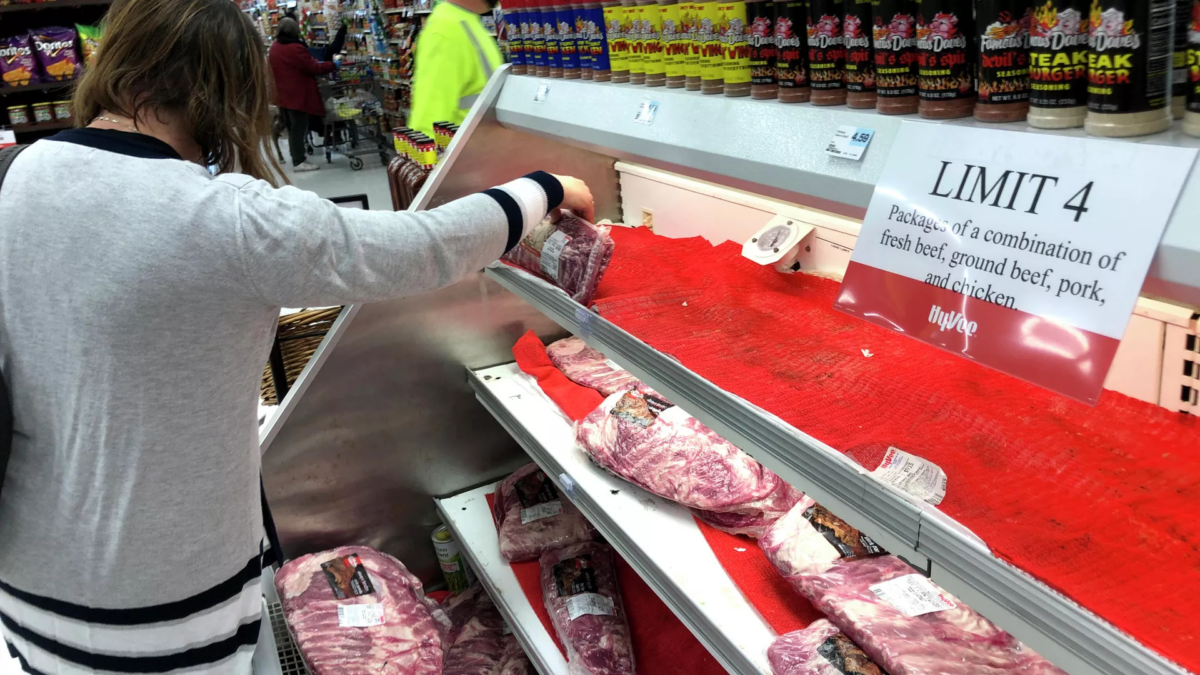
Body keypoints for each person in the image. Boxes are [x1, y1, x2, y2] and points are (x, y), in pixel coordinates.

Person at [0, 0, 592, 672]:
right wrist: (545, 186)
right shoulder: (222, 216)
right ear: (225, 92)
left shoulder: (17, 174)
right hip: (161, 604)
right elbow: (424, 248)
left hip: (29, 579)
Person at [408, 0, 503, 136]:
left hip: (480, 144)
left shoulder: (466, 21)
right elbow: (429, 118)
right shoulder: (445, 31)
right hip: (465, 147)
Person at [269, 17, 336, 172]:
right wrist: (333, 65)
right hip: (297, 94)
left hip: (282, 94)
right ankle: (299, 161)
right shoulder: (295, 48)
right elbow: (312, 67)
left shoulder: (274, 47)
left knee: (292, 127)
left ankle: (296, 156)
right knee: (299, 127)